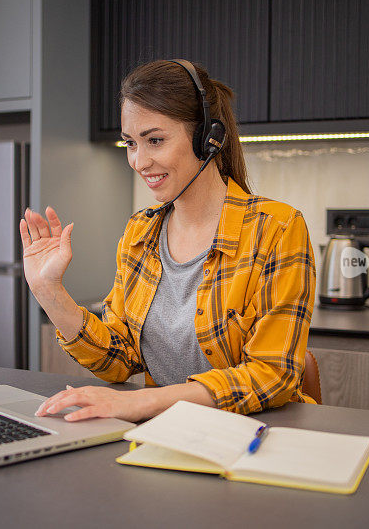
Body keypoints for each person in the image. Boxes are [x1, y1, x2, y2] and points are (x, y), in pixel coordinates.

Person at [22, 60, 315, 423]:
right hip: (166, 433)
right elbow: (118, 361)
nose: (138, 161)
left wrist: (144, 402)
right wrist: (49, 291)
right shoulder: (139, 232)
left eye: (155, 140)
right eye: (130, 143)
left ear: (207, 136)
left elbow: (273, 375)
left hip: (254, 435)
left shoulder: (277, 228)